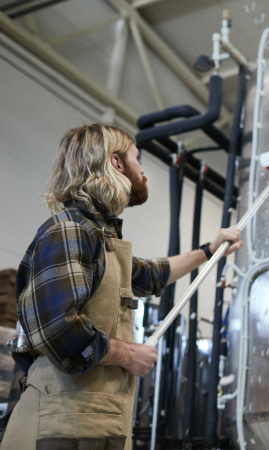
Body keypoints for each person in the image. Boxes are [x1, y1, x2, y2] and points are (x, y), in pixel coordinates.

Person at [1, 123, 243, 449]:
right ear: (116, 163)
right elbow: (59, 331)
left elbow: (151, 274)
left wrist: (209, 251)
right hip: (61, 428)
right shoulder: (69, 230)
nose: (142, 170)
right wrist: (129, 355)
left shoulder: (102, 240)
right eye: (137, 158)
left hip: (92, 425)